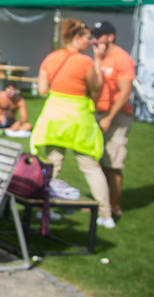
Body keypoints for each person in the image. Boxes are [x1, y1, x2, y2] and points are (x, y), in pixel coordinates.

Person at [31, 19, 114, 229]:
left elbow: (42, 89)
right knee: (90, 167)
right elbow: (96, 86)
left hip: (54, 117)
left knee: (52, 165)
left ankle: (42, 210)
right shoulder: (85, 62)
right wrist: (98, 60)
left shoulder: (50, 58)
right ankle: (106, 214)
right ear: (77, 38)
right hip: (78, 119)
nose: (91, 42)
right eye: (88, 38)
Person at [91, 19, 136, 219]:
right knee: (98, 162)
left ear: (110, 37)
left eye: (99, 36)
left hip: (117, 116)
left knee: (113, 163)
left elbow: (125, 93)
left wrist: (109, 117)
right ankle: (101, 203)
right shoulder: (100, 58)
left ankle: (114, 206)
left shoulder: (122, 59)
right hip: (99, 113)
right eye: (94, 36)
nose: (95, 40)